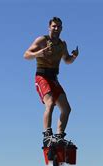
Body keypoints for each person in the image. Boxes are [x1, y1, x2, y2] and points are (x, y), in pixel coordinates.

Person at [24, 17, 79, 147]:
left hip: (54, 78)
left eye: (58, 26)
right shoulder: (42, 40)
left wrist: (74, 56)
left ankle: (59, 136)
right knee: (50, 103)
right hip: (42, 76)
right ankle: (47, 135)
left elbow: (67, 60)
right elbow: (26, 55)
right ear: (49, 27)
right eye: (54, 26)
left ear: (62, 28)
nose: (56, 28)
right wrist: (39, 53)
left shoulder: (62, 44)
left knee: (66, 108)